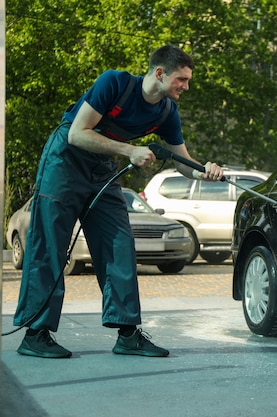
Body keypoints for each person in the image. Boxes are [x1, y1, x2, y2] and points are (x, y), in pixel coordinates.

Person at [13, 45, 224, 358]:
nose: (186, 87)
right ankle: (36, 333)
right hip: (65, 162)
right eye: (182, 79)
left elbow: (183, 162)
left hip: (102, 169)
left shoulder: (167, 111)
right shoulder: (115, 83)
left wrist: (205, 170)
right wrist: (129, 150)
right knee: (50, 245)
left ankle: (127, 333)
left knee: (118, 244)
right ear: (160, 73)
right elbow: (76, 134)